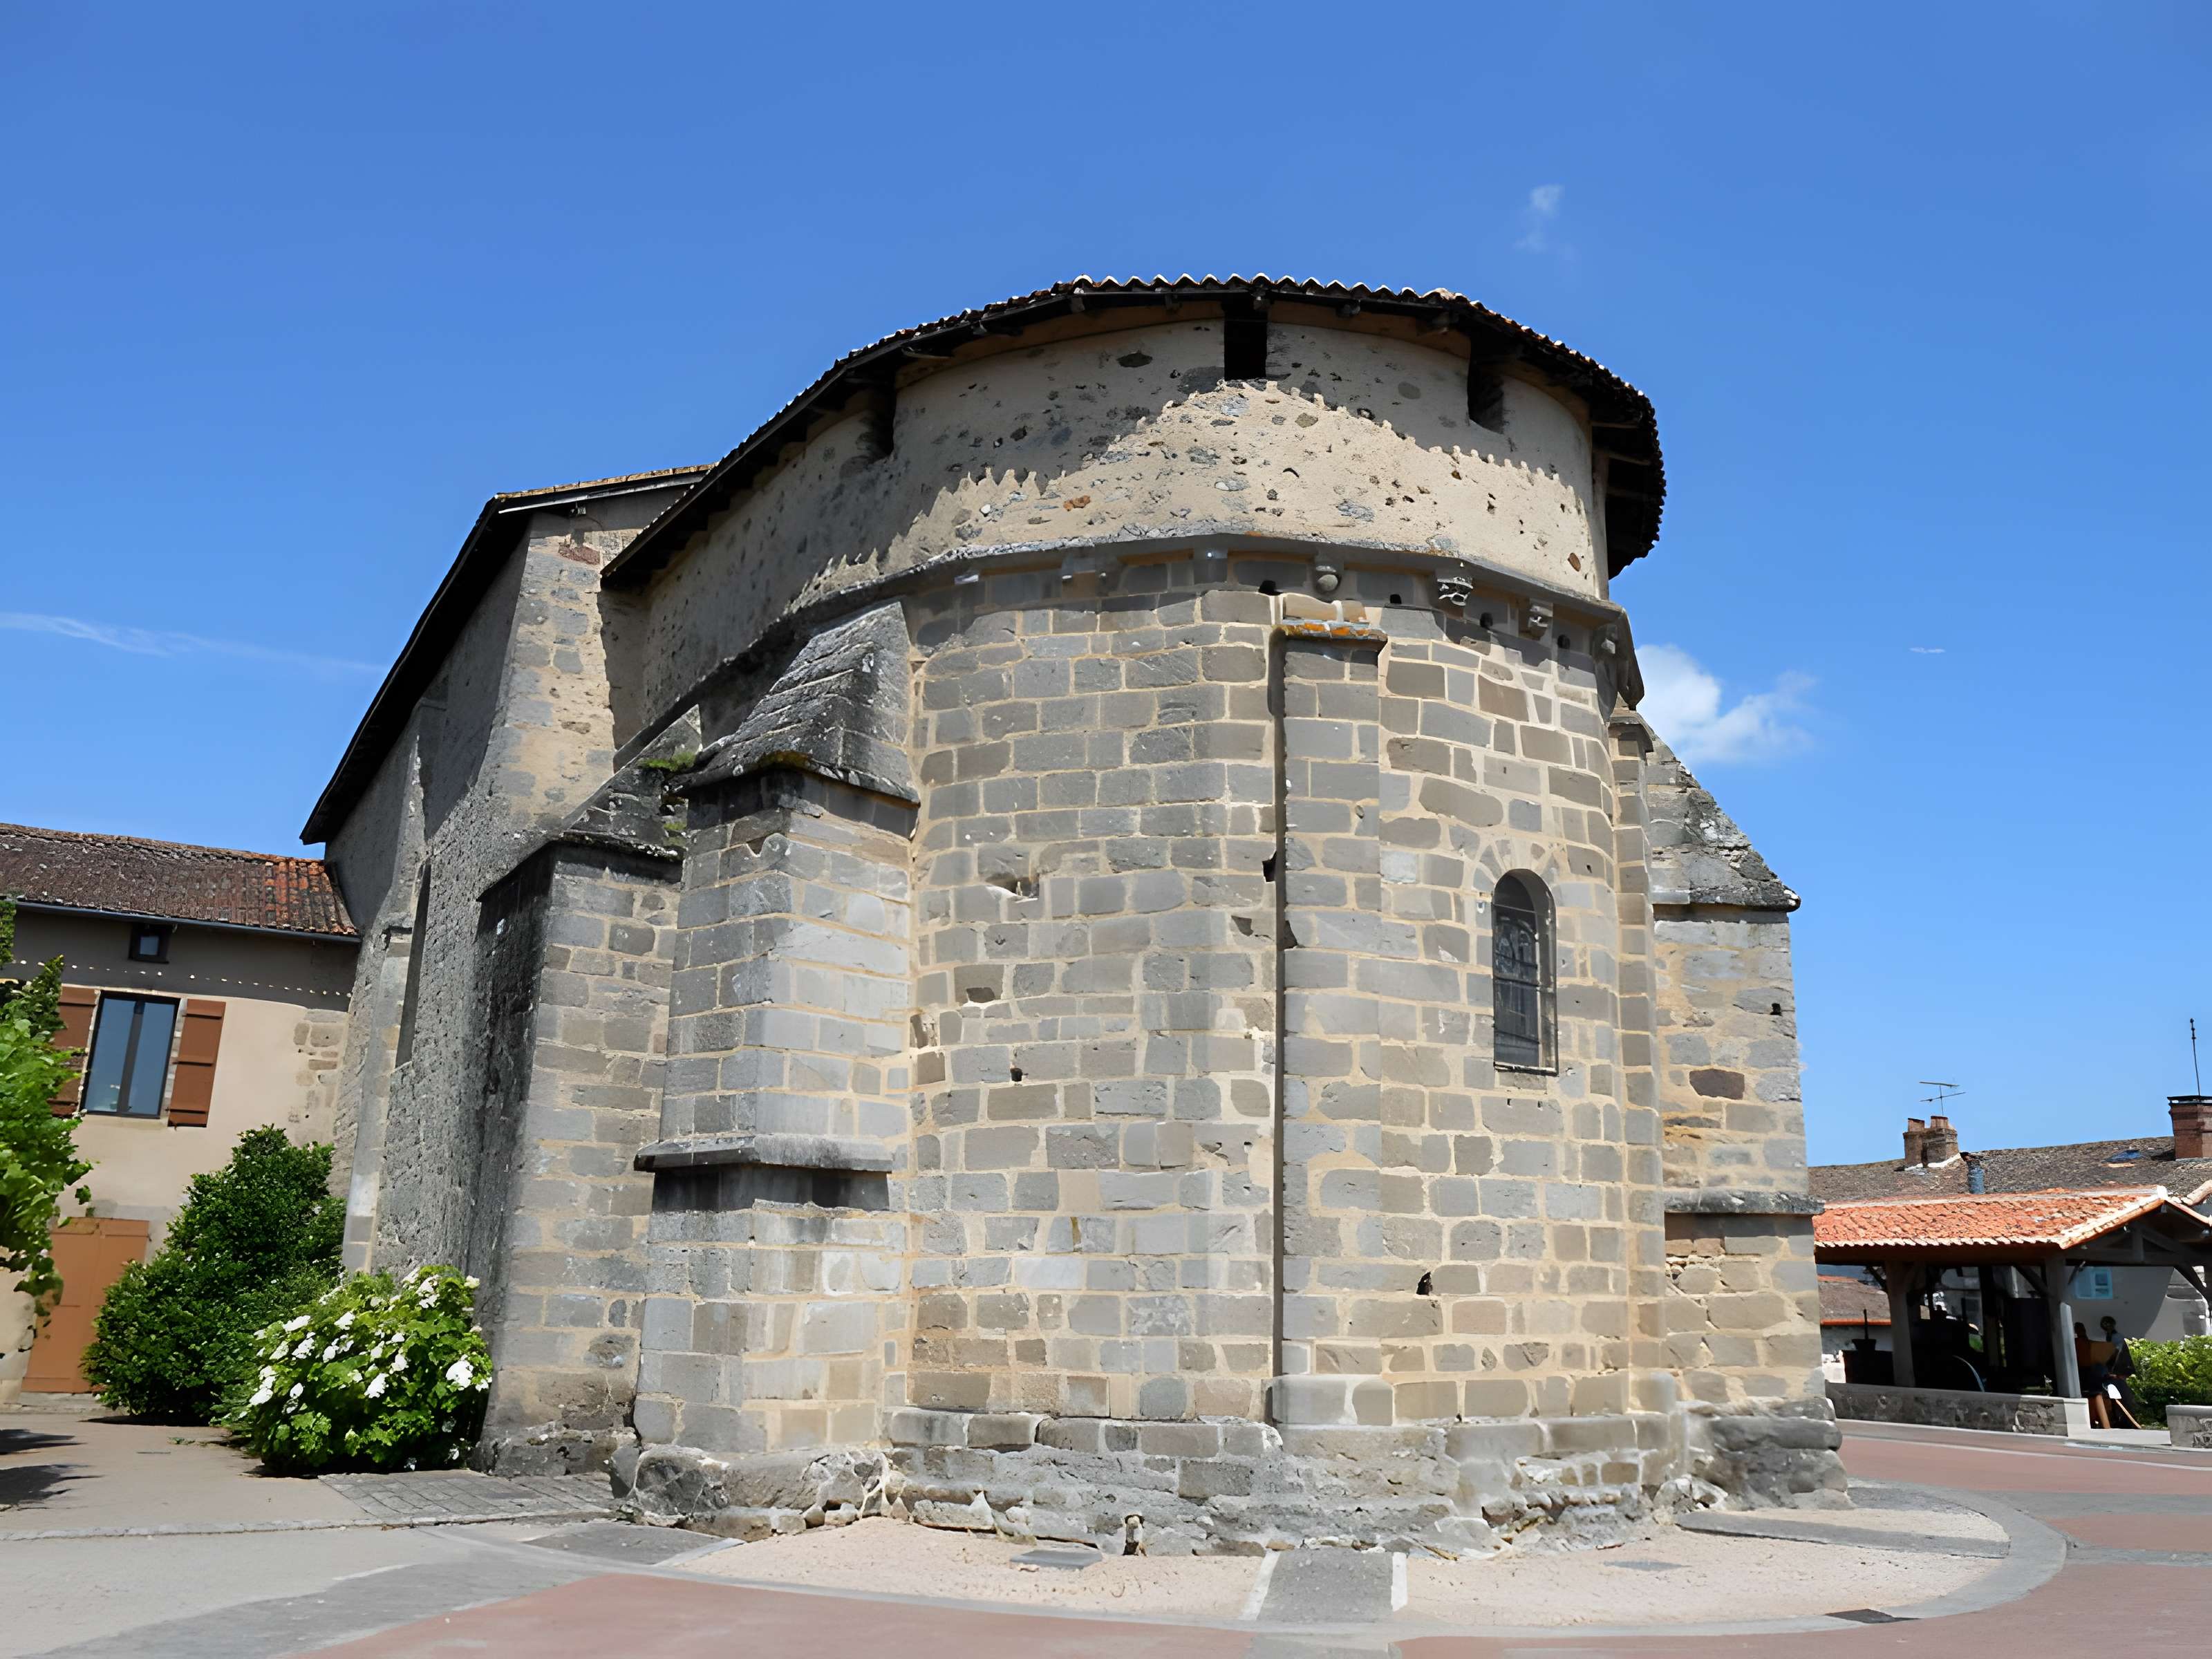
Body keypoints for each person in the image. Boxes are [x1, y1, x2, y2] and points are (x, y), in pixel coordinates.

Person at [2099, 1316, 2145, 1429]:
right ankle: (2117, 1418)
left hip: (2119, 1372)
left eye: (2108, 1325)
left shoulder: (2117, 1337)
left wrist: (2110, 1370)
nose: (2107, 1328)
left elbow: (2116, 1354)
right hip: (2114, 1373)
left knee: (2122, 1396)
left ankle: (2127, 1420)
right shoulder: (2109, 1337)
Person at [2074, 1322, 2113, 1429]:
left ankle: (2103, 1426)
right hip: (2088, 1373)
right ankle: (2104, 1426)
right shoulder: (2085, 1343)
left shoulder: (2081, 1343)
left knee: (2095, 1396)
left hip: (2086, 1373)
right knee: (2096, 1396)